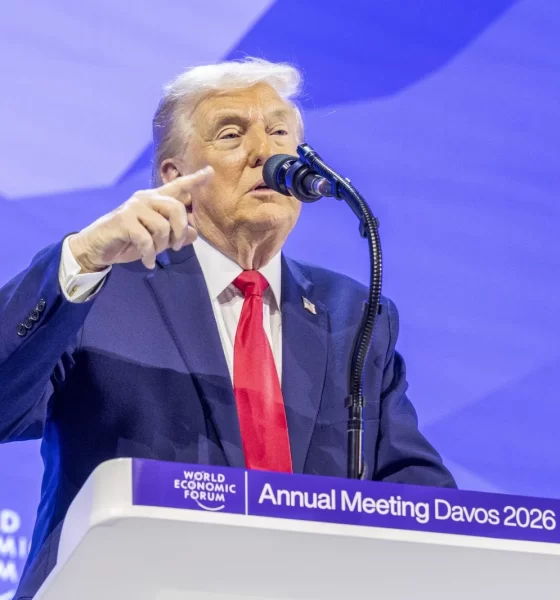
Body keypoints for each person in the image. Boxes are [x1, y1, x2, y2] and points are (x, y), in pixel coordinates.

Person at [0, 58, 455, 598]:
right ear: (174, 179)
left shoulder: (354, 314)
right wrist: (82, 256)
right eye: (232, 134)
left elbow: (420, 496)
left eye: (280, 132)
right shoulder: (99, 287)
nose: (266, 152)